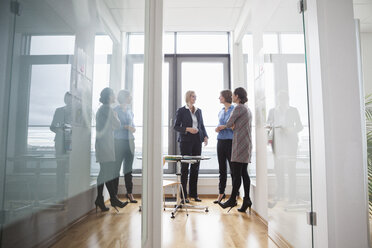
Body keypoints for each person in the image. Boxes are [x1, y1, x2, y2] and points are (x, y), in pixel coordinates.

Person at [217, 87, 253, 213]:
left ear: (237, 96)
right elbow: (232, 125)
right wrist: (232, 126)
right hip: (246, 143)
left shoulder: (238, 108)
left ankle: (232, 199)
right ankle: (247, 199)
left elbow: (228, 123)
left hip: (239, 144)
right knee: (244, 172)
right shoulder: (246, 108)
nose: (232, 97)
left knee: (237, 173)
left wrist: (231, 125)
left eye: (233, 95)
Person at [95, 87, 128, 212]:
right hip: (106, 144)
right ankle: (112, 199)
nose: (115, 97)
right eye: (113, 95)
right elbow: (117, 125)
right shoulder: (108, 109)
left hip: (102, 143)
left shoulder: (101, 109)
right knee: (106, 172)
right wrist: (115, 115)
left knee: (103, 172)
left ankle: (100, 198)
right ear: (109, 97)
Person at [267, 91, 303, 203]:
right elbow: (268, 125)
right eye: (279, 99)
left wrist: (290, 130)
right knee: (279, 169)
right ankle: (280, 194)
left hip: (291, 143)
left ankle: (292, 196)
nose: (280, 101)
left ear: (287, 100)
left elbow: (300, 126)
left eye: (282, 99)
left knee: (291, 169)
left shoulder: (293, 110)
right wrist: (271, 129)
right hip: (277, 143)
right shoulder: (272, 111)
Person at [174, 90, 208, 202]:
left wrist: (205, 137)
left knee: (195, 168)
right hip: (185, 141)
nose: (195, 98)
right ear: (188, 97)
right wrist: (188, 129)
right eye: (193, 96)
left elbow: (201, 125)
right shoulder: (181, 110)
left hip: (197, 140)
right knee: (185, 168)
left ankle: (194, 194)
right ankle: (184, 196)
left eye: (195, 96)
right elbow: (176, 127)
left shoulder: (199, 111)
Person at [114, 90, 137, 203]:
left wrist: (131, 127)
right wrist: (126, 127)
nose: (131, 98)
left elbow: (133, 127)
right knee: (116, 169)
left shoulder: (130, 111)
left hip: (130, 142)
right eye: (129, 97)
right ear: (124, 98)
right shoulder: (115, 111)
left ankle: (130, 193)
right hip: (118, 142)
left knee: (128, 170)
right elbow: (113, 126)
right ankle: (114, 195)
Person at [50, 92, 72, 201]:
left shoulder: (77, 112)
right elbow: (52, 126)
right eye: (66, 98)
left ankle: (71, 193)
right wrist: (60, 130)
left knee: (72, 168)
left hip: (72, 143)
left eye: (70, 99)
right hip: (60, 142)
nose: (68, 100)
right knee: (60, 169)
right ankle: (60, 194)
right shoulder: (59, 110)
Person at [214, 90, 234, 204]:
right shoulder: (221, 111)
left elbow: (234, 126)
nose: (219, 98)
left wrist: (224, 127)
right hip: (220, 141)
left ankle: (234, 195)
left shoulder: (234, 109)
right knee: (222, 169)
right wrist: (218, 128)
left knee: (233, 169)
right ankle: (221, 193)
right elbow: (220, 124)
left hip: (230, 141)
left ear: (225, 97)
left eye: (220, 96)